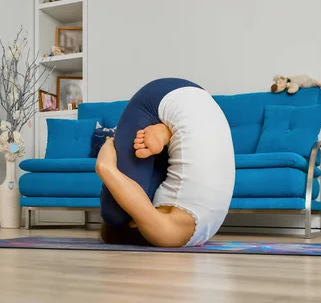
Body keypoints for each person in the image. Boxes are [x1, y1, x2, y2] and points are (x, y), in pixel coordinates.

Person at [95, 78, 235, 248]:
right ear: (136, 224)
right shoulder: (167, 235)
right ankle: (165, 132)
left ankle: (167, 133)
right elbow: (105, 168)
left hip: (206, 104)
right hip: (159, 98)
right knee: (115, 214)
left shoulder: (203, 233)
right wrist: (109, 143)